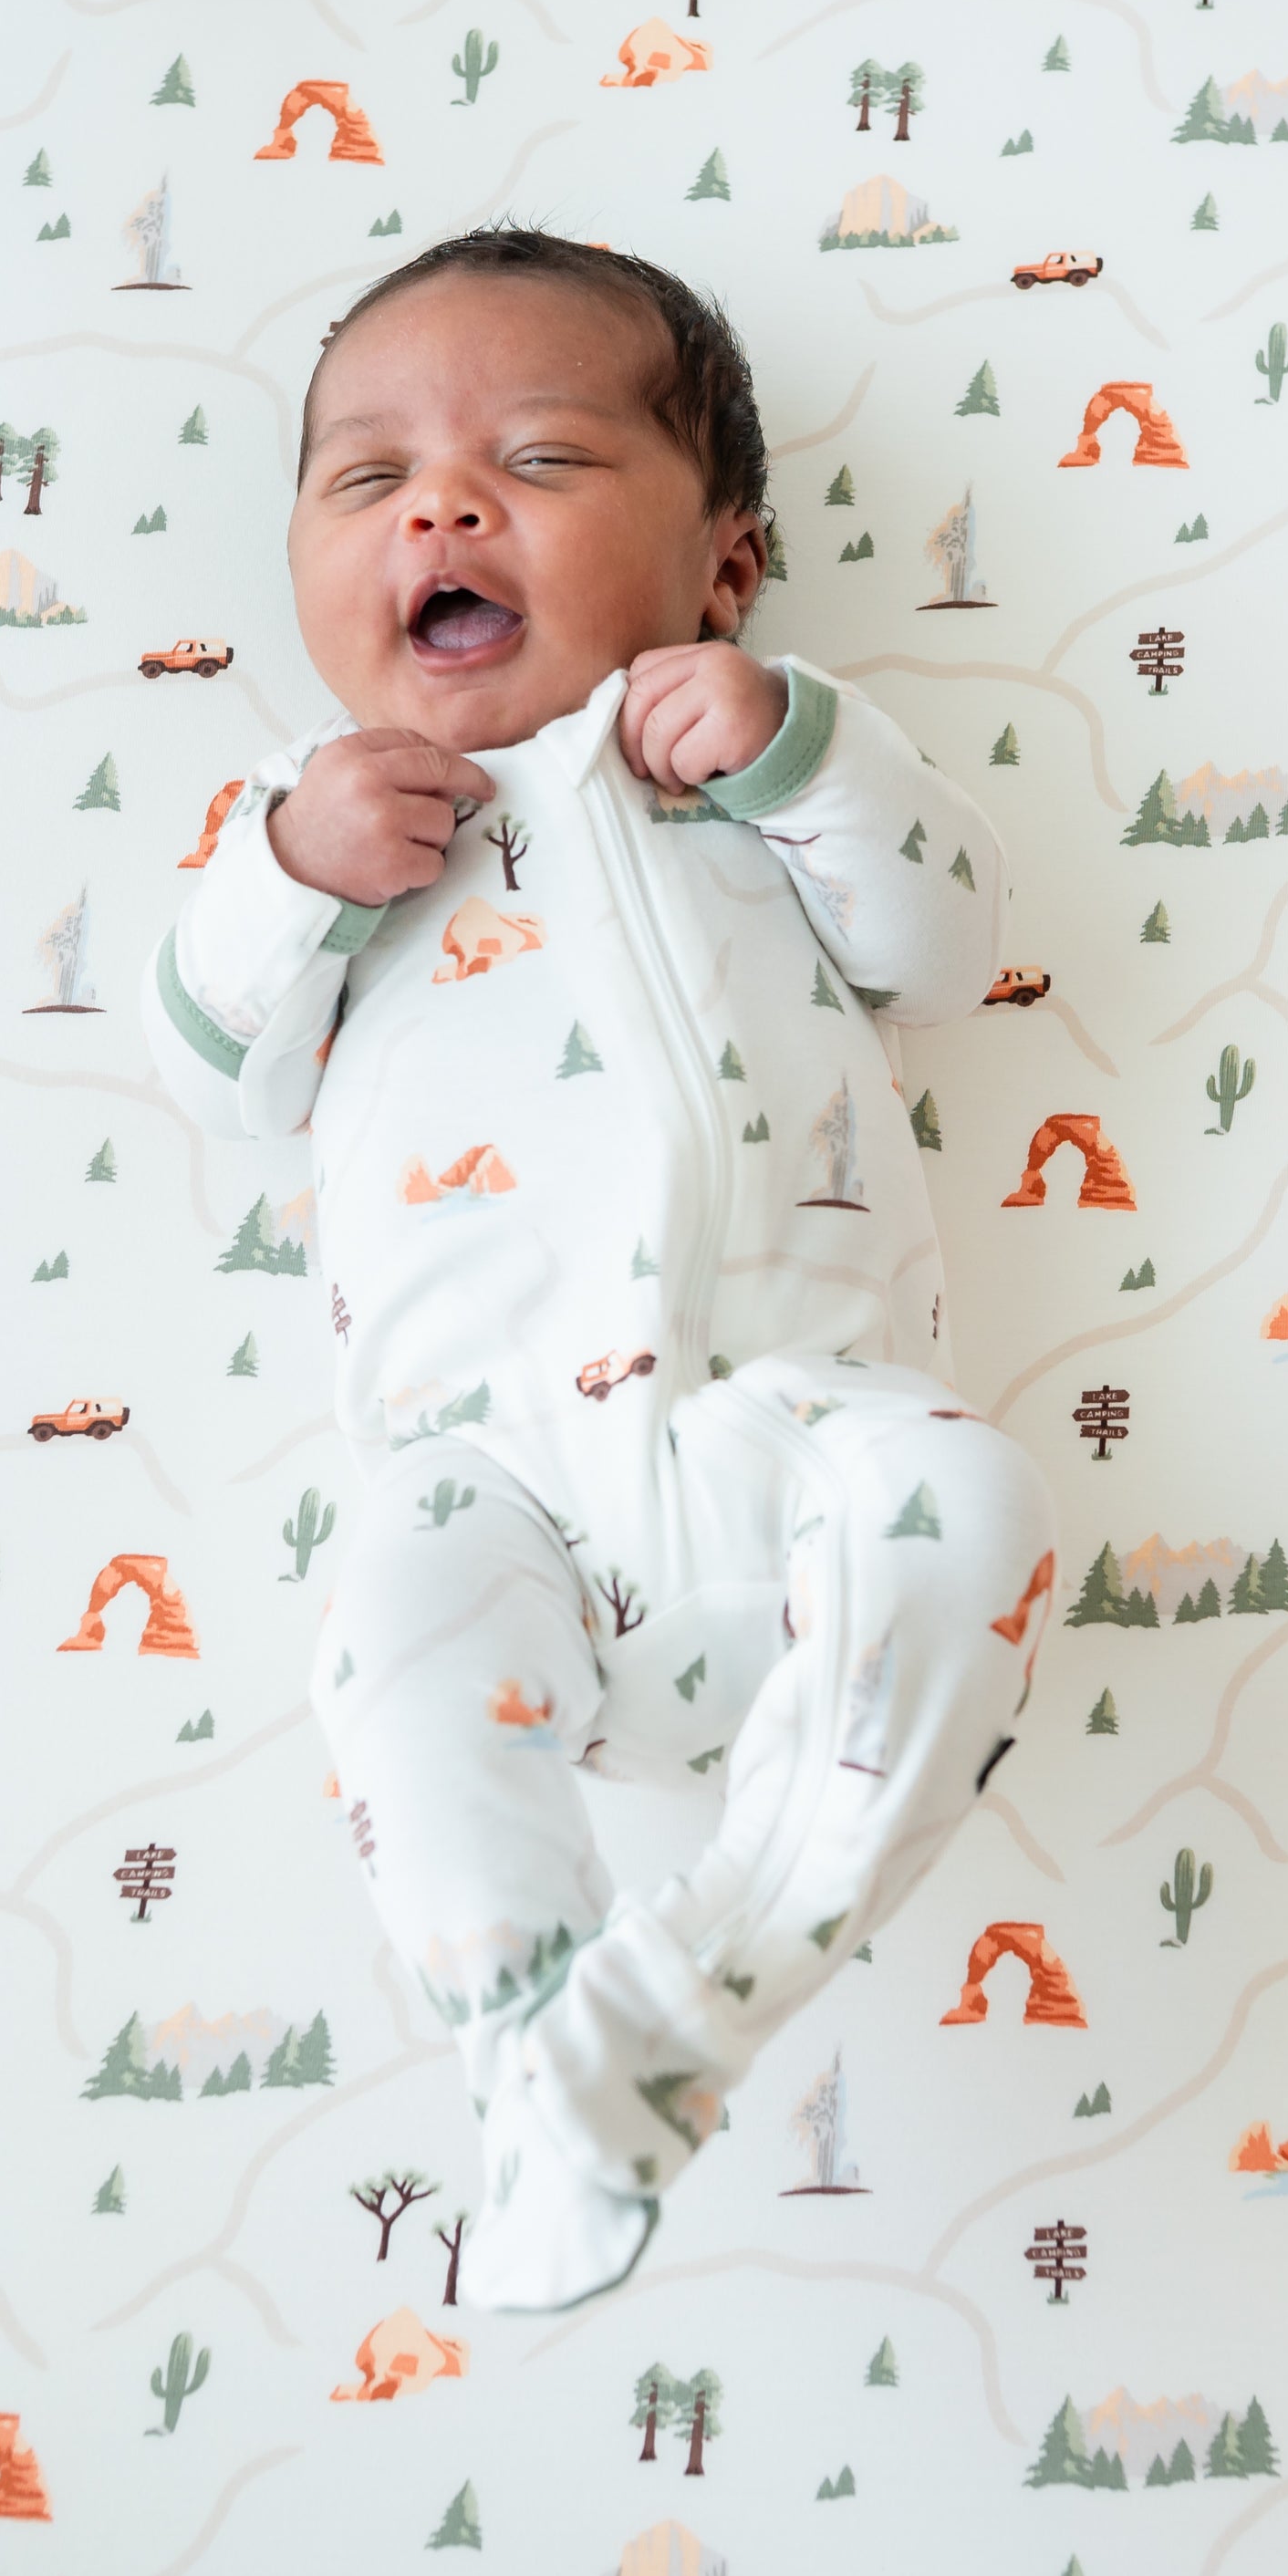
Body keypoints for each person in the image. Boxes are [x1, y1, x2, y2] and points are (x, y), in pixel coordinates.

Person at [142, 227, 1056, 2309]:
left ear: (723, 565)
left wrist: (795, 746)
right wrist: (287, 869)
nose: (445, 508)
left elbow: (945, 947)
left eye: (538, 460)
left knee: (981, 1500)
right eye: (367, 481)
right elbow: (216, 1066)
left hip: (796, 1437)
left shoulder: (743, 764)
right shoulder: (314, 838)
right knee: (385, 1614)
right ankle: (526, 2032)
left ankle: (702, 1982)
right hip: (506, 1496)